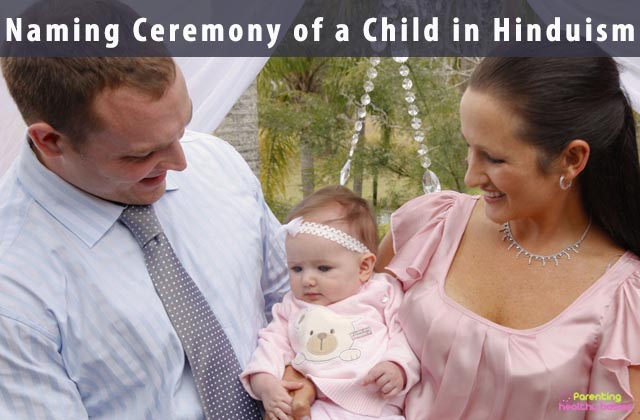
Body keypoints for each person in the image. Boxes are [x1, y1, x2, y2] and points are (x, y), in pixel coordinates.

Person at [0, 55, 289, 418]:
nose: (181, 161)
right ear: (51, 141)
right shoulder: (12, 289)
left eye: (182, 128)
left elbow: (298, 305)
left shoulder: (216, 164)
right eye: (142, 153)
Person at [376, 56, 640, 419]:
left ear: (572, 158)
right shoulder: (430, 226)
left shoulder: (625, 299)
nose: (470, 176)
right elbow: (348, 321)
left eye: (494, 159)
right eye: (469, 146)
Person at [240, 185, 420, 420]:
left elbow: (404, 336)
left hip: (376, 406)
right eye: (296, 268)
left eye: (323, 268)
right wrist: (266, 384)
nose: (307, 280)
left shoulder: (381, 292)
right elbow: (270, 346)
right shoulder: (292, 307)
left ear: (364, 267)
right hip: (317, 406)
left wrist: (397, 366)